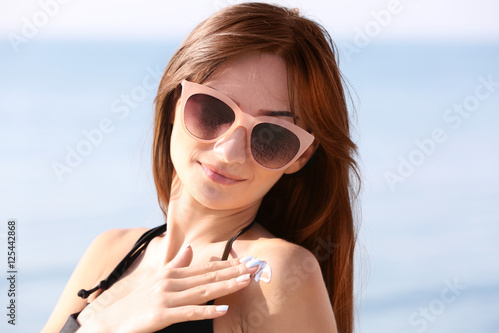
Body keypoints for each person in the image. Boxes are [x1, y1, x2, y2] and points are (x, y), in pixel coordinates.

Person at [43, 2, 360, 332]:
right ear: (173, 103)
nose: (230, 152)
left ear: (301, 156)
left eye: (271, 135)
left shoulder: (272, 273)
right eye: (213, 111)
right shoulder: (110, 251)